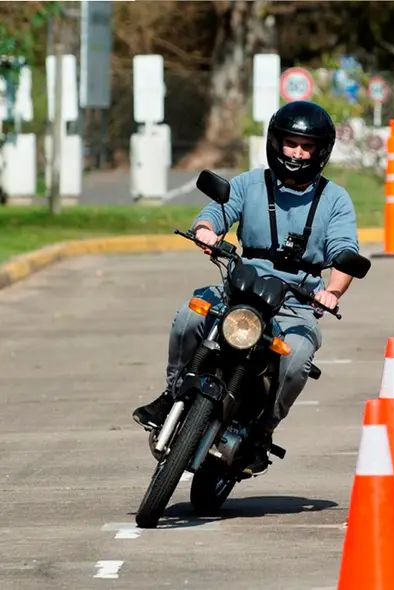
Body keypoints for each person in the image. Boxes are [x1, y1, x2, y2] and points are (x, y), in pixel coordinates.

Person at [132, 100, 360, 476]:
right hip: (239, 288)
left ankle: (262, 432)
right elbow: (217, 211)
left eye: (306, 147)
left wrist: (331, 292)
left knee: (298, 357)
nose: (297, 153)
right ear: (276, 142)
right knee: (190, 317)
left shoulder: (335, 199)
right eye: (290, 143)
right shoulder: (250, 183)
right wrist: (206, 231)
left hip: (296, 302)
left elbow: (344, 252)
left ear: (321, 152)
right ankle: (172, 393)